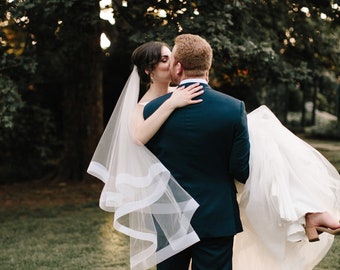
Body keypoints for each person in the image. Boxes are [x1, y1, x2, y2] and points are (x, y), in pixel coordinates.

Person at [87, 41, 206, 270]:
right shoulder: (140, 108)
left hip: (198, 191)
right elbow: (139, 136)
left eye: (171, 56)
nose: (172, 62)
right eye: (163, 60)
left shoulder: (182, 93)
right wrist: (170, 104)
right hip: (164, 200)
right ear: (148, 71)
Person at [143, 34, 250, 270]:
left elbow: (147, 162)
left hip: (169, 216)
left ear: (178, 67)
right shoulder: (234, 108)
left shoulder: (151, 109)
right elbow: (241, 169)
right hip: (217, 215)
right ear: (208, 68)